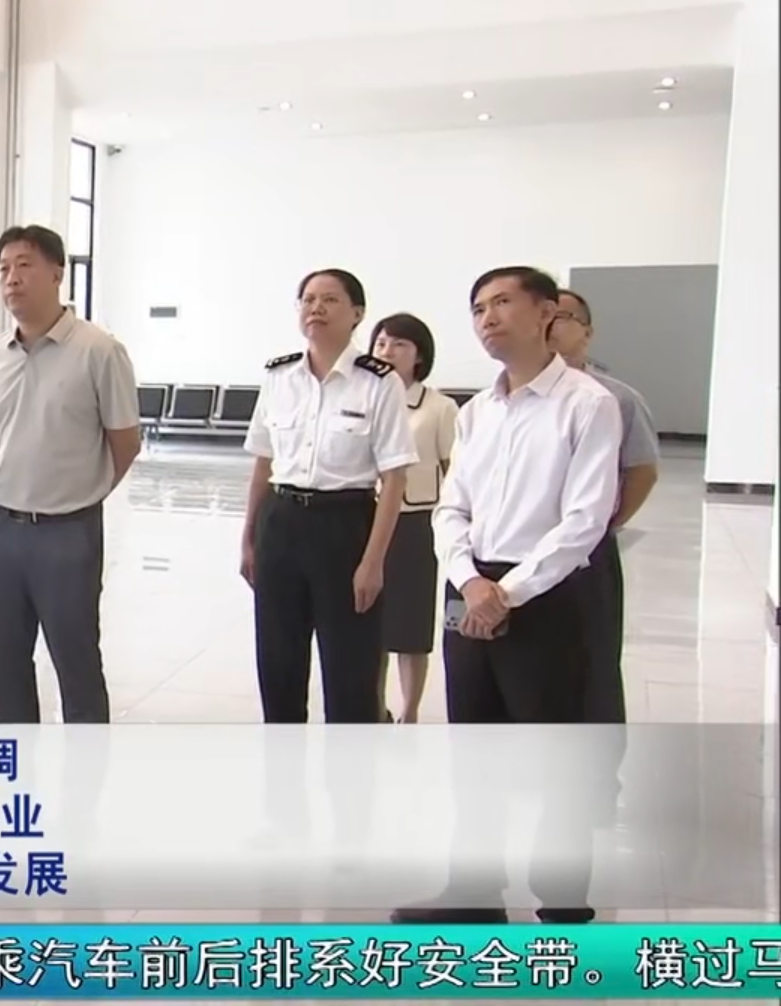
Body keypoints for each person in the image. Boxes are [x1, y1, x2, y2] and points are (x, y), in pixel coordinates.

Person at [393, 266, 622, 925]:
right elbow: (450, 507)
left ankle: (563, 900)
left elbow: (585, 520)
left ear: (547, 313)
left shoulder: (587, 404)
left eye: (501, 303)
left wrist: (508, 593)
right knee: (474, 747)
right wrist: (470, 581)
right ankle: (473, 892)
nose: (487, 318)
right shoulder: (477, 412)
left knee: (555, 753)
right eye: (477, 308)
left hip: (547, 593)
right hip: (471, 586)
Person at [0, 225, 141, 724]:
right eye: (3, 268)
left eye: (24, 265)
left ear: (56, 274)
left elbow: (125, 442)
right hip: (0, 529)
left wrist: (80, 495)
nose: (12, 278)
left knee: (76, 663)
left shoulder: (99, 350)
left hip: (67, 532)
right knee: (2, 663)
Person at [240, 269, 415, 724]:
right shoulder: (278, 376)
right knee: (278, 662)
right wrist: (248, 539)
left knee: (351, 670)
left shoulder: (379, 382)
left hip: (345, 525)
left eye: (330, 299)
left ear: (357, 313)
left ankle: (351, 763)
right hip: (281, 522)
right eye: (308, 299)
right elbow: (262, 463)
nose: (315, 308)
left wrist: (373, 562)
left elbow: (395, 478)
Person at [549, 288, 659, 723]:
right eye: (542, 315)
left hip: (586, 549)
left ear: (587, 332)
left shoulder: (615, 398)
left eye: (561, 316)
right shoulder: (504, 396)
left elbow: (642, 471)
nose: (549, 325)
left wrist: (604, 524)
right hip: (519, 545)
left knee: (589, 657)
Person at [368, 313, 459, 723]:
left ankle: (410, 712)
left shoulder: (439, 408)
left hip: (414, 524)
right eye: (381, 343)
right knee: (368, 622)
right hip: (365, 518)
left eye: (399, 344)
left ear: (419, 356)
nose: (387, 351)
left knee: (410, 625)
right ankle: (373, 707)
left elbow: (454, 470)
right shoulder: (361, 399)